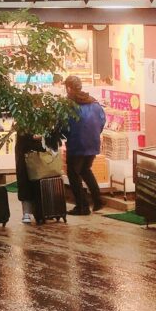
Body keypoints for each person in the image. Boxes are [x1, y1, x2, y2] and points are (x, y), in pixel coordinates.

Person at [63, 75, 106, 215]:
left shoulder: (69, 104)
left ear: (69, 88)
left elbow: (64, 125)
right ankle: (98, 200)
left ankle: (82, 206)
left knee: (73, 174)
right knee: (85, 170)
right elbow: (101, 121)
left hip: (77, 144)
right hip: (93, 143)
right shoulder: (94, 102)